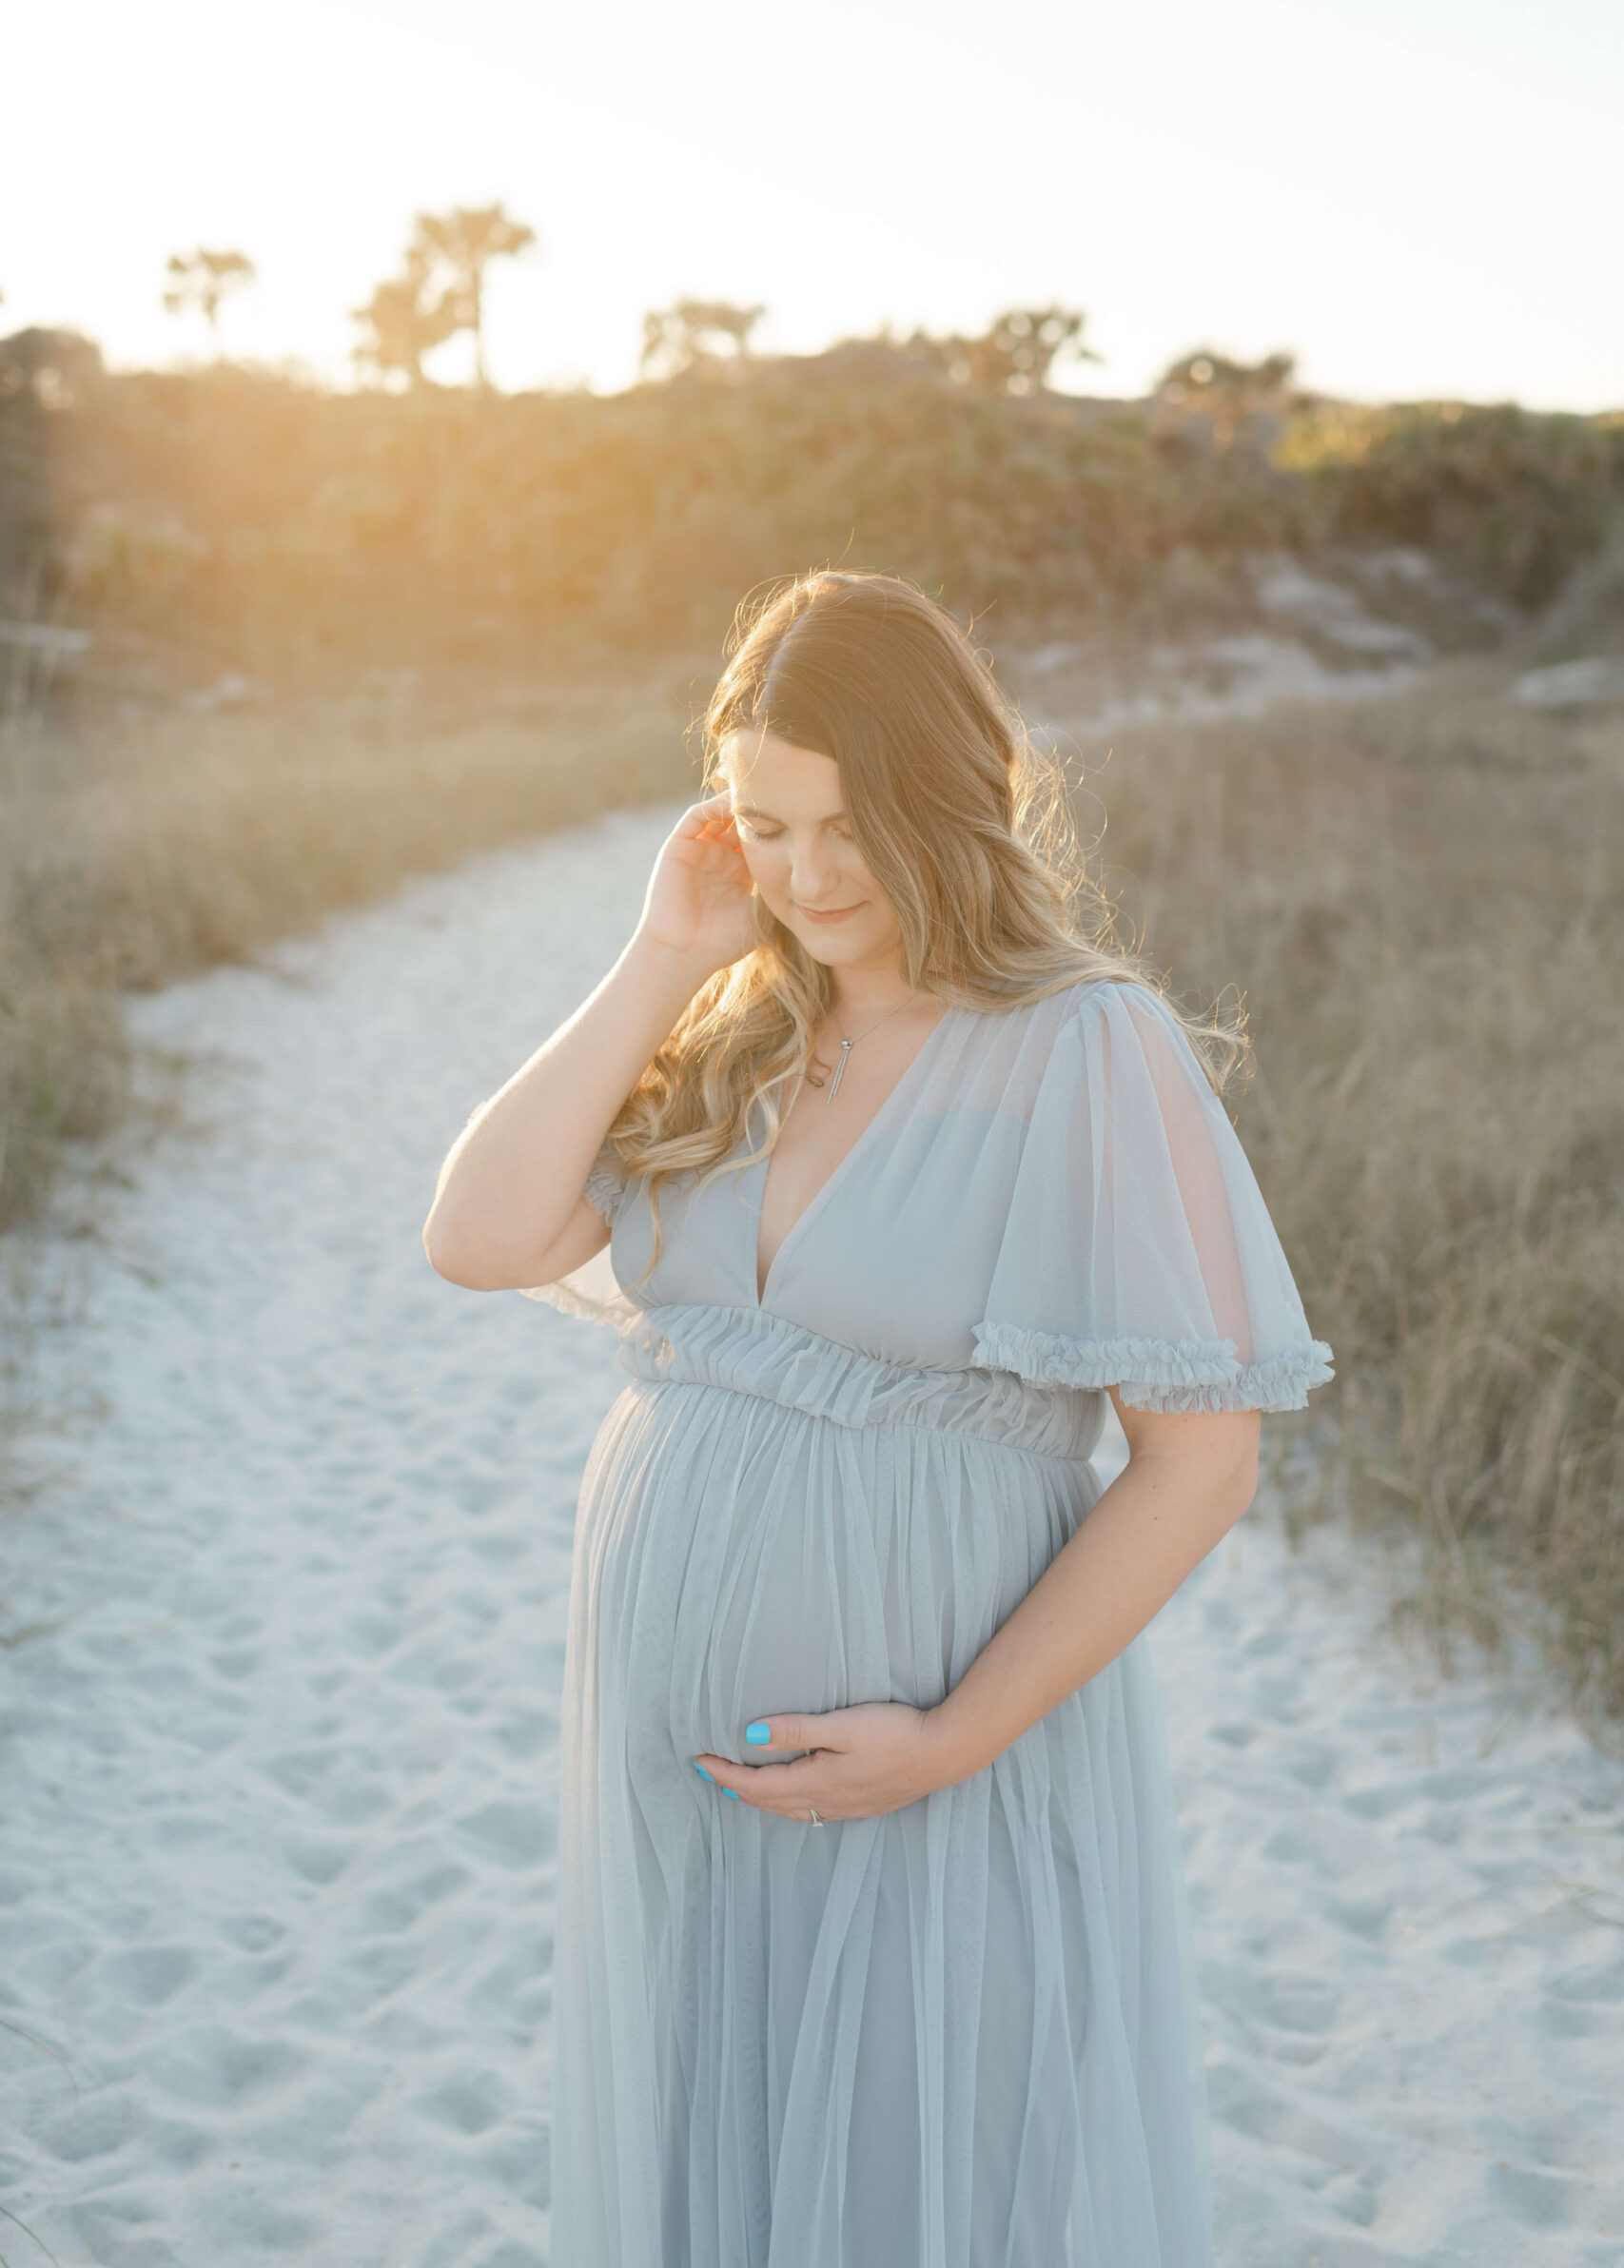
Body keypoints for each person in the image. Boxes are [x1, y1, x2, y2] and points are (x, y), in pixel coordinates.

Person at [423, 571, 1332, 2266]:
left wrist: (954, 1738)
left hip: (936, 1752)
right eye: (766, 825)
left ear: (953, 802)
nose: (814, 877)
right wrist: (660, 950)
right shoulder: (738, 1031)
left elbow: (1202, 1459)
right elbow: (475, 1238)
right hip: (676, 1773)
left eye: (856, 825)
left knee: (931, 2184)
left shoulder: (1084, 1047)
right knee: (720, 2173)